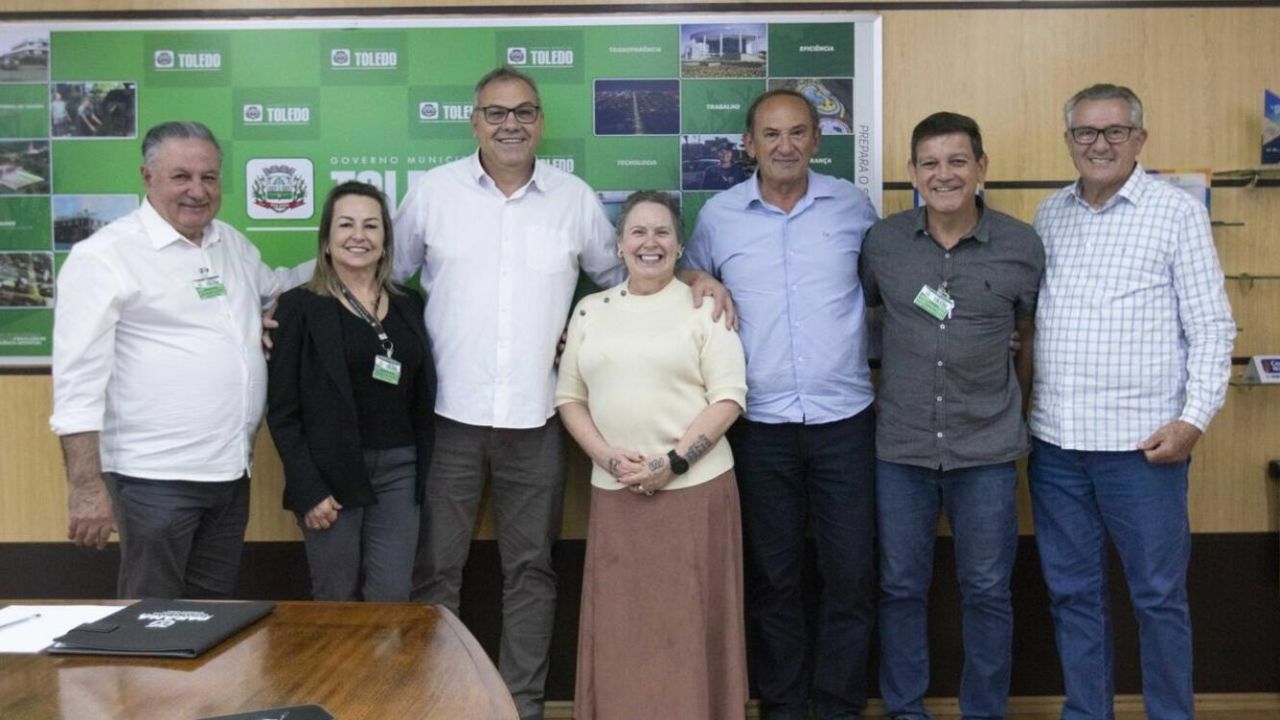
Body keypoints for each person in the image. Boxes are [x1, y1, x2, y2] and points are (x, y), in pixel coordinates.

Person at [391, 66, 733, 720]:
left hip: (538, 418)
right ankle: (437, 705)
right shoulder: (432, 194)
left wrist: (693, 273)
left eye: (524, 111)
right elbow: (383, 272)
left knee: (531, 572)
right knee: (436, 574)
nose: (510, 124)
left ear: (541, 120)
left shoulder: (573, 199)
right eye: (495, 113)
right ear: (475, 121)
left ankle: (520, 708)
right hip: (449, 419)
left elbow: (630, 270)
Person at [1030, 84, 1235, 720]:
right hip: (1057, 446)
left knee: (1157, 596)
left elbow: (1212, 327)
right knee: (1072, 595)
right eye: (1086, 133)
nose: (1099, 144)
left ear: (1139, 139)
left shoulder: (1176, 213)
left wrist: (1193, 420)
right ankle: (1088, 713)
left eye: (1114, 131)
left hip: (1143, 451)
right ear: (1069, 142)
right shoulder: (1049, 214)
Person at [50, 121, 307, 598]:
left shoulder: (231, 243)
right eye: (181, 177)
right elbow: (76, 385)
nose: (197, 191)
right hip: (153, 480)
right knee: (152, 622)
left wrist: (339, 256)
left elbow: (278, 291)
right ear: (148, 177)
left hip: (229, 475)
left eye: (209, 177)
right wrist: (86, 488)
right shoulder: (104, 257)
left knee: (210, 621)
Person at [685, 88, 879, 720]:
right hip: (759, 424)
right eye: (771, 135)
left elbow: (887, 289)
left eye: (798, 133)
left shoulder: (853, 207)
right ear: (749, 145)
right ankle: (786, 705)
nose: (785, 146)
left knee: (850, 577)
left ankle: (840, 705)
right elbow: (680, 276)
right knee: (775, 578)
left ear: (817, 141)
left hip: (845, 421)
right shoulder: (719, 215)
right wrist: (702, 277)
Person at [860, 112, 1043, 720]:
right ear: (911, 173)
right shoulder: (883, 243)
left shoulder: (1021, 245)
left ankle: (983, 711)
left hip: (987, 451)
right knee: (900, 589)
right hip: (902, 451)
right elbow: (866, 315)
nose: (945, 175)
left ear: (982, 168)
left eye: (958, 161)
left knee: (988, 591)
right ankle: (906, 710)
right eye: (931, 163)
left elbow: (1028, 334)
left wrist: (1014, 403)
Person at [556, 191, 749, 720]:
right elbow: (569, 398)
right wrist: (607, 458)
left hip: (695, 494)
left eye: (662, 232)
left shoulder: (705, 308)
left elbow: (729, 398)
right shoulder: (590, 310)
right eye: (637, 232)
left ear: (680, 243)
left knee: (690, 629)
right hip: (616, 495)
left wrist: (674, 463)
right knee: (623, 629)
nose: (650, 243)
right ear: (619, 245)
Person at [266, 181, 435, 601]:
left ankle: (386, 673)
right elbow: (283, 412)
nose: (358, 236)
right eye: (345, 225)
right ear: (325, 240)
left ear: (385, 241)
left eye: (371, 226)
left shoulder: (409, 304)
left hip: (401, 470)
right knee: (336, 600)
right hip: (331, 477)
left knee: (392, 598)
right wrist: (308, 488)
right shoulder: (297, 307)